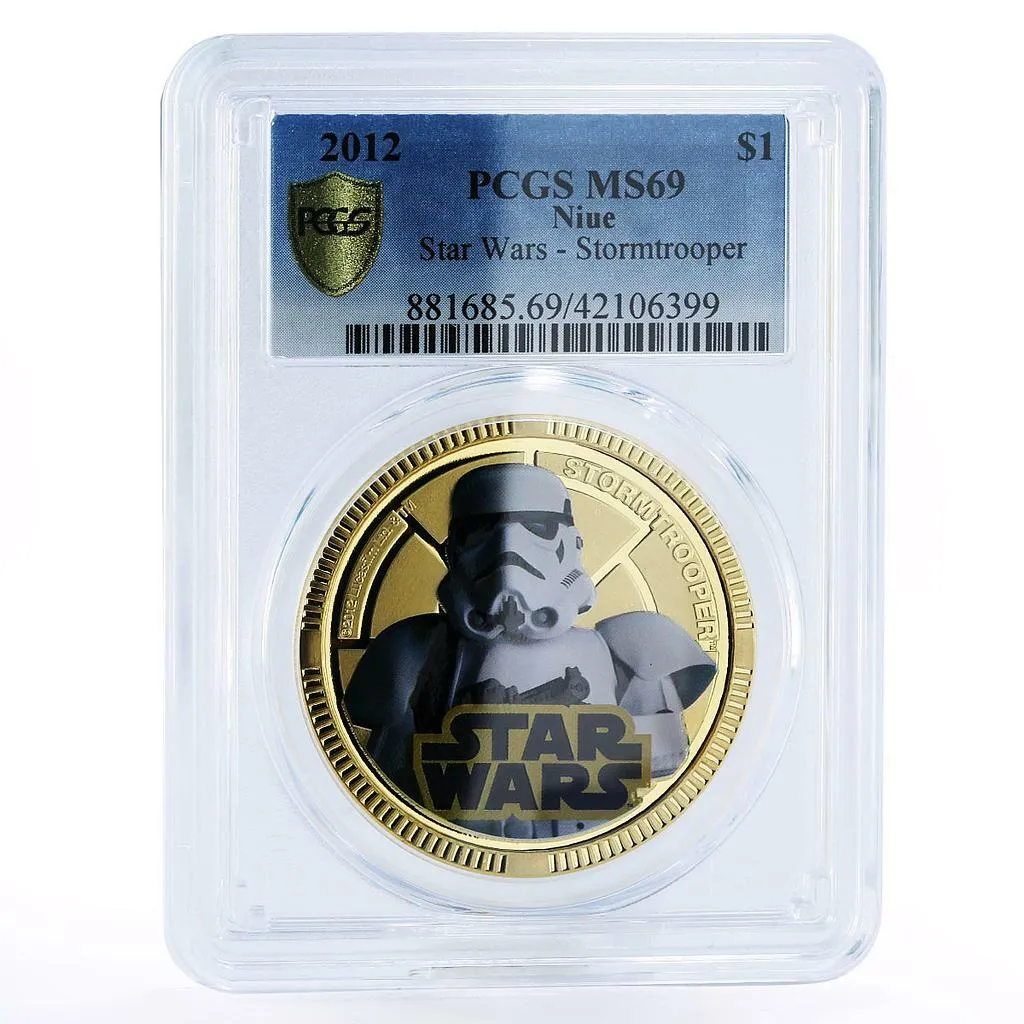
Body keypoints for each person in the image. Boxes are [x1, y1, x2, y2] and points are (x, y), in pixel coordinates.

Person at [345, 463, 716, 837]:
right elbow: (387, 785)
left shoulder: (630, 647)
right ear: (454, 548)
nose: (507, 546)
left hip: (583, 853)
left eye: (538, 526)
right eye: (481, 530)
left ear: (573, 543)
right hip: (450, 852)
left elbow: (661, 772)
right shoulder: (410, 651)